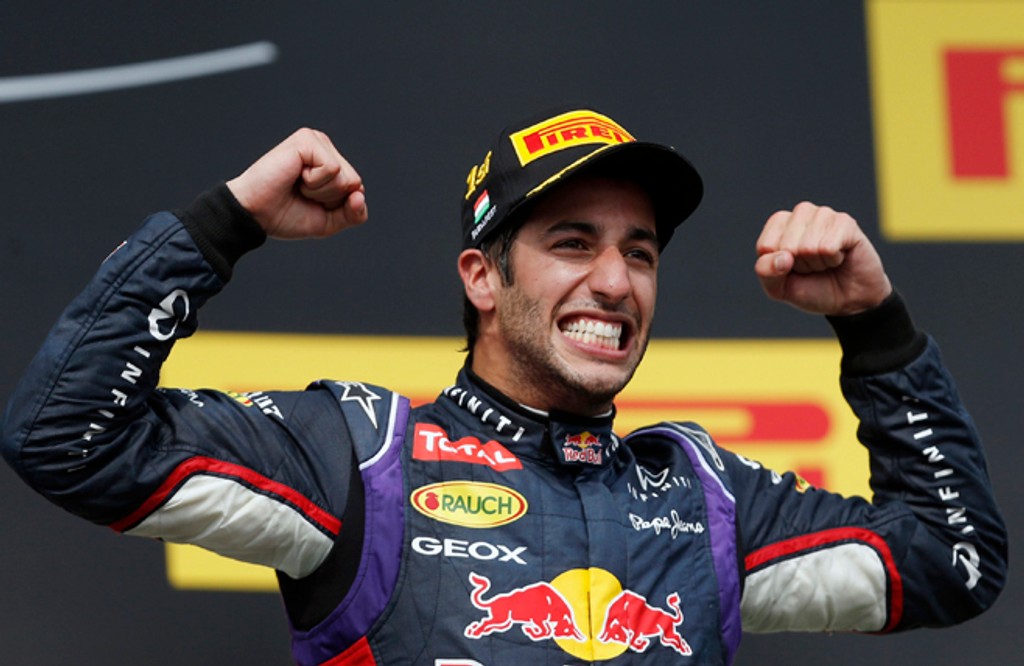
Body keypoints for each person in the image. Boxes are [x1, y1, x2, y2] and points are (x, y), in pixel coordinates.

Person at [0, 107, 1007, 666]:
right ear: (482, 277)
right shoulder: (361, 458)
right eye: (572, 242)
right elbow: (66, 437)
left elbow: (952, 561)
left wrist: (875, 327)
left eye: (639, 252)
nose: (614, 281)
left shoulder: (702, 497)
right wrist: (223, 226)